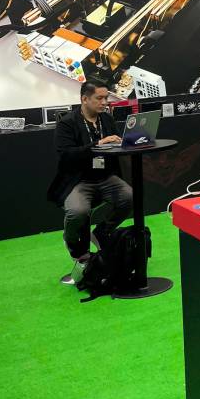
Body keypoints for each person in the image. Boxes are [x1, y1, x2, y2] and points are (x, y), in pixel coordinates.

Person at [49, 80, 132, 280]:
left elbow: (114, 147)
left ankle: (102, 232)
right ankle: (73, 244)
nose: (104, 102)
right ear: (84, 99)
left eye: (106, 98)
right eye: (99, 98)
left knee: (129, 197)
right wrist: (97, 144)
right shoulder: (67, 123)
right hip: (78, 180)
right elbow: (66, 155)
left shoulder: (107, 119)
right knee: (78, 211)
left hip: (106, 177)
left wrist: (124, 143)